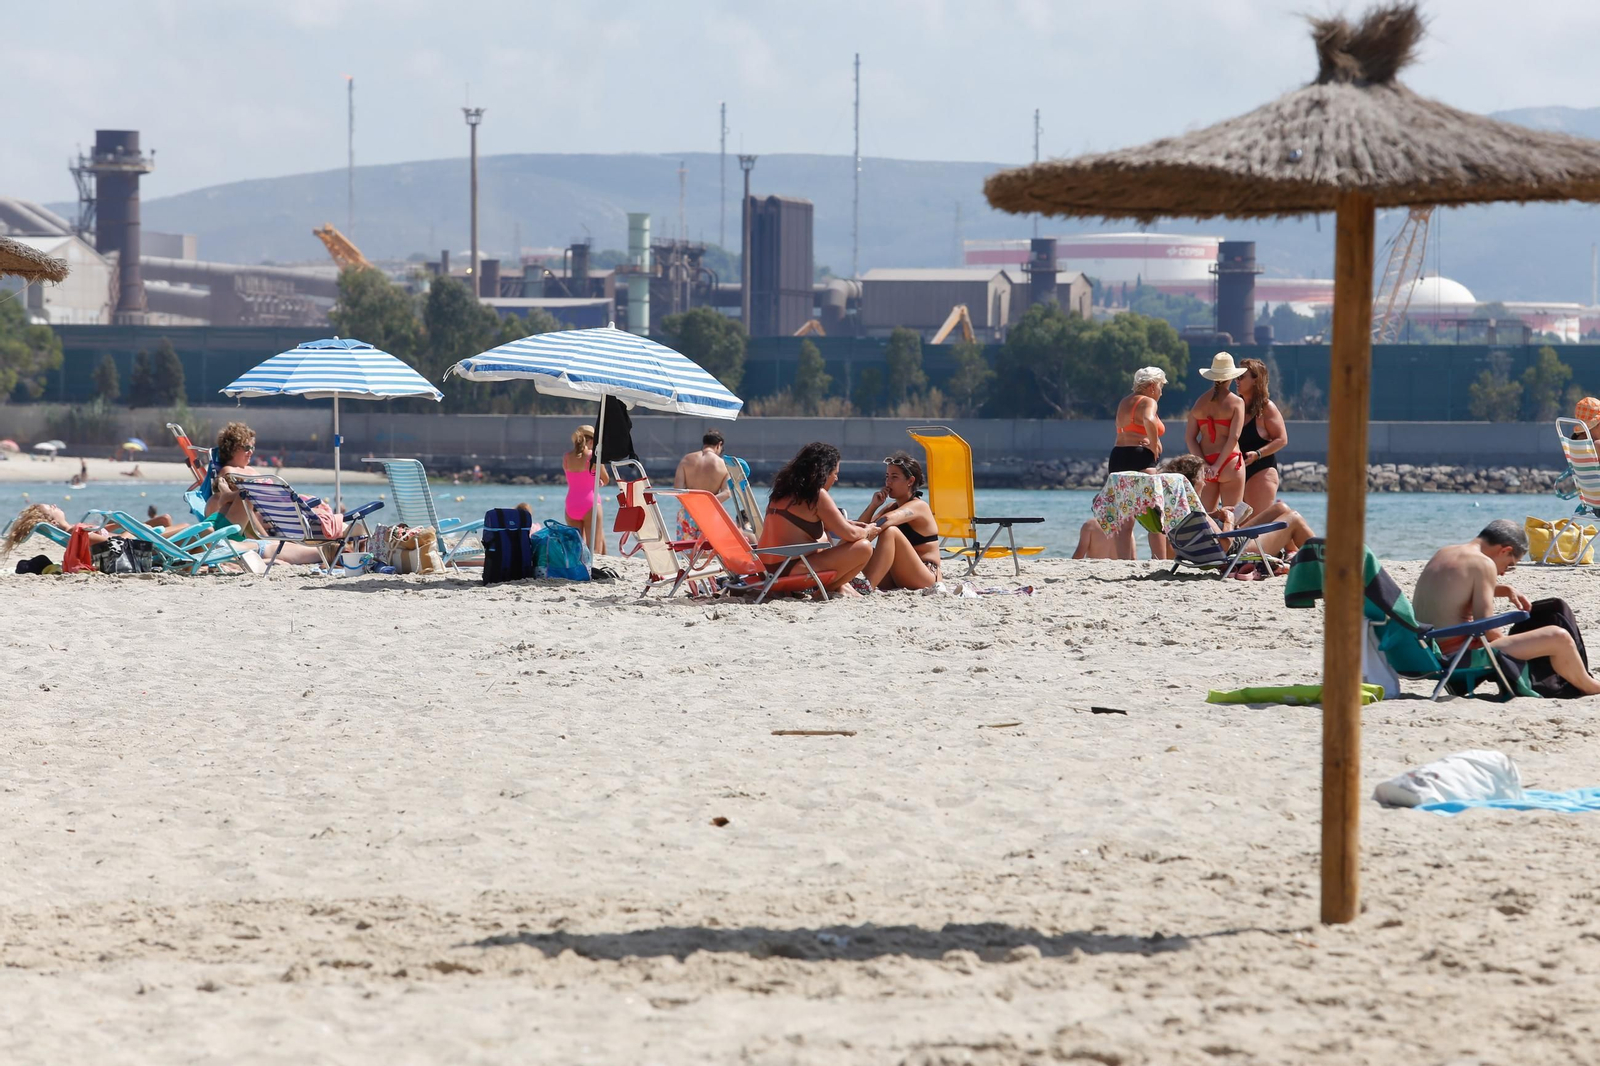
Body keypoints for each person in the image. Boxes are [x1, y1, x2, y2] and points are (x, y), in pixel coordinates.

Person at [1414, 519, 1600, 697]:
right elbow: (1488, 630)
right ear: (1505, 550)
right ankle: (1590, 687)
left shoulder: (1445, 552)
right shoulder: (1483, 563)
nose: (1502, 573)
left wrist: (1504, 590)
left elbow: (1453, 590)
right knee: (1558, 637)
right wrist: (1519, 645)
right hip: (1457, 656)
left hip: (1426, 650)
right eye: (1509, 565)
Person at [202, 422, 326, 566]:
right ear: (232, 448)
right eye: (247, 447)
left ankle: (335, 548)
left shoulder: (251, 470)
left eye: (252, 447)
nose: (251, 452)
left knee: (319, 511)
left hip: (275, 513)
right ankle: (333, 551)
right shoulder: (229, 471)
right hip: (265, 519)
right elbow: (243, 504)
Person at [759, 441, 874, 596]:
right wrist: (868, 531)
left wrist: (849, 523)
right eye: (835, 473)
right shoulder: (817, 495)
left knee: (823, 537)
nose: (836, 479)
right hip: (787, 571)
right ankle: (829, 589)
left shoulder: (782, 492)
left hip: (765, 570)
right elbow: (851, 535)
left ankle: (841, 587)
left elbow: (799, 525)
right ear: (824, 473)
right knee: (864, 547)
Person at [856, 451, 940, 590]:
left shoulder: (919, 506)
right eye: (887, 477)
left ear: (910, 481)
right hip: (895, 575)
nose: (888, 482)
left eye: (894, 477)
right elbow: (862, 528)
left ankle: (868, 585)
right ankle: (844, 580)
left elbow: (887, 520)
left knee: (890, 531)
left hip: (924, 576)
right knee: (861, 547)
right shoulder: (891, 507)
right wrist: (873, 506)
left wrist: (861, 533)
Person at [1186, 352, 1249, 513]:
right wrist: (1218, 466)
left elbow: (1190, 438)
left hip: (1205, 461)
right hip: (1229, 462)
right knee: (1233, 518)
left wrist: (1205, 465)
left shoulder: (1199, 402)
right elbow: (1234, 437)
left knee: (1206, 519)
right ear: (1232, 377)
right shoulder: (1236, 402)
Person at [1236, 357, 1288, 518]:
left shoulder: (1266, 408)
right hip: (1237, 473)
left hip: (1261, 470)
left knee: (1256, 524)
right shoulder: (1236, 405)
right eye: (1236, 376)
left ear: (1255, 379)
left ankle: (1290, 534)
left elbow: (1281, 439)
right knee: (1239, 528)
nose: (1236, 380)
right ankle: (1290, 539)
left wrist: (1258, 454)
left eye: (1241, 376)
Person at [674, 429, 732, 541]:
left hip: (688, 511)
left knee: (687, 550)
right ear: (719, 445)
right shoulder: (723, 465)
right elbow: (727, 493)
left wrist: (694, 503)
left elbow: (677, 490)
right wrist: (705, 503)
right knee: (707, 549)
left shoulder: (686, 460)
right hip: (710, 512)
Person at [562, 424, 610, 555]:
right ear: (591, 441)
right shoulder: (593, 457)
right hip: (590, 503)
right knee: (593, 549)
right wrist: (597, 480)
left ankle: (577, 573)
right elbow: (605, 479)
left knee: (575, 549)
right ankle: (592, 573)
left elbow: (574, 479)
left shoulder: (567, 457)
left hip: (571, 504)